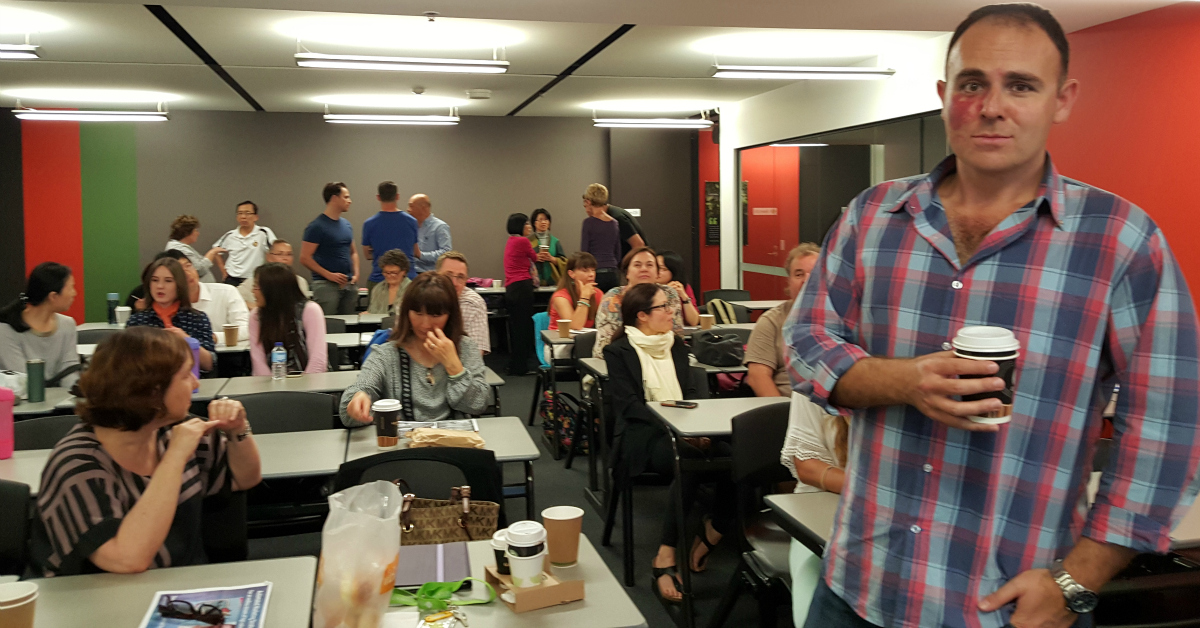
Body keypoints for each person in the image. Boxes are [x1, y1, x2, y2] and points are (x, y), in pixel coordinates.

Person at [786, 5, 1200, 628]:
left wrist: (1076, 580)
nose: (991, 106)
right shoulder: (872, 216)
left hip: (1009, 607)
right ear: (944, 95)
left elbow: (1171, 424)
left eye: (1022, 85)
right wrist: (905, 381)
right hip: (860, 588)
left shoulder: (1120, 240)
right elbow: (804, 340)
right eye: (972, 83)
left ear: (1062, 100)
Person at [32, 327, 260, 576]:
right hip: (96, 595)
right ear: (151, 391)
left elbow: (244, 478)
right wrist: (175, 457)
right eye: (186, 375)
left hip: (178, 586)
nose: (196, 383)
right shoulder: (77, 465)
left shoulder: (175, 431)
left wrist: (238, 430)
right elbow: (127, 560)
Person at [603, 283, 733, 603]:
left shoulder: (676, 344)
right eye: (663, 306)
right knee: (686, 461)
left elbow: (690, 393)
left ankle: (713, 529)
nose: (671, 311)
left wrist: (698, 427)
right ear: (642, 315)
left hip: (685, 427)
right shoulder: (618, 351)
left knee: (735, 456)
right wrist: (675, 428)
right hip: (641, 434)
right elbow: (629, 406)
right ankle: (665, 554)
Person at [340, 273, 489, 426]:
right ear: (407, 313)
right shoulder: (386, 353)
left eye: (435, 315)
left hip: (456, 438)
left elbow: (478, 405)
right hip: (404, 440)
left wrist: (454, 367)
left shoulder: (466, 348)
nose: (425, 324)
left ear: (450, 315)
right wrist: (358, 399)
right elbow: (352, 404)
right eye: (418, 313)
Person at [781, 392, 849, 626]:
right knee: (813, 603)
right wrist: (870, 489)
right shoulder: (814, 382)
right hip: (817, 507)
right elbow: (807, 468)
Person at [745, 243, 819, 397]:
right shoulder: (771, 321)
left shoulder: (844, 319)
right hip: (787, 404)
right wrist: (782, 410)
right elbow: (757, 376)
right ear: (789, 282)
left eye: (814, 274)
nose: (806, 280)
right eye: (798, 274)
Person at [593, 247, 685, 358]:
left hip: (663, 356)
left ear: (657, 273)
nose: (644, 269)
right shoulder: (613, 297)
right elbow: (605, 345)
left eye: (649, 265)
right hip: (622, 358)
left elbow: (677, 335)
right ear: (627, 273)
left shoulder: (669, 294)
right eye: (637, 265)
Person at [126, 258, 215, 372]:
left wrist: (186, 340)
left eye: (168, 281)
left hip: (189, 380)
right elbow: (126, 364)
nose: (160, 286)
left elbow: (209, 364)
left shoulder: (197, 318)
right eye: (155, 280)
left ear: (179, 285)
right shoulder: (137, 321)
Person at [0, 262, 80, 389]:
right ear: (53, 296)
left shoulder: (68, 325)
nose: (74, 293)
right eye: (71, 288)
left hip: (61, 399)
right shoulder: (6, 329)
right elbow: (23, 381)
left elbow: (69, 370)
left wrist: (75, 390)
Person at [249, 263, 327, 376]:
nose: (253, 291)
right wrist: (269, 385)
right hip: (271, 381)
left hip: (310, 380)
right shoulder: (256, 316)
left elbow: (318, 361)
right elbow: (258, 361)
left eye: (256, 287)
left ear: (272, 289)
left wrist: (307, 385)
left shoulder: (310, 310)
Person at [301, 182, 359, 315]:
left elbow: (353, 252)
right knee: (329, 323)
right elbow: (304, 258)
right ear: (334, 198)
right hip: (325, 285)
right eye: (346, 197)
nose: (349, 201)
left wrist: (356, 274)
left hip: (348, 284)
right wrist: (329, 275)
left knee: (349, 322)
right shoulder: (316, 226)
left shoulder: (346, 225)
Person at [178, 255, 249, 344]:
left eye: (188, 266)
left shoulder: (226, 291)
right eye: (179, 271)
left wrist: (212, 337)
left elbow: (246, 328)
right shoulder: (168, 302)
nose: (187, 274)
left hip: (229, 351)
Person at [363, 181, 420, 287]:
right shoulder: (412, 221)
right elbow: (416, 252)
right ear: (397, 196)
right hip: (407, 279)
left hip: (380, 279)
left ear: (378, 197)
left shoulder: (369, 224)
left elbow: (367, 255)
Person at [503, 213, 539, 375]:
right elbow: (534, 257)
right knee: (524, 329)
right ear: (520, 226)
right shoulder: (523, 241)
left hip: (512, 288)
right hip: (522, 287)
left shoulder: (511, 241)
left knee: (516, 329)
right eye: (527, 224)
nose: (529, 227)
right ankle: (521, 367)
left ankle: (515, 364)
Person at [211, 201, 276, 287]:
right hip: (232, 279)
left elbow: (276, 250)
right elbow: (216, 250)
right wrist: (223, 271)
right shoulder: (230, 235)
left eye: (247, 213)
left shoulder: (263, 233)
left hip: (254, 279)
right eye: (240, 213)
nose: (243, 217)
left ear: (256, 217)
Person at [437, 251, 490, 355]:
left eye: (460, 277)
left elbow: (475, 355)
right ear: (436, 275)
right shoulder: (423, 296)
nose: (454, 283)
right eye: (448, 275)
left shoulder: (473, 304)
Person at [583, 183, 647, 260]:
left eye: (585, 206)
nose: (586, 211)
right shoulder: (612, 217)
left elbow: (638, 245)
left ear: (588, 202)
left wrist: (627, 264)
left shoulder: (618, 218)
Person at [237, 239, 310, 307]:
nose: (285, 258)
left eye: (289, 254)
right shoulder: (253, 281)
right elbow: (235, 299)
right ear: (269, 257)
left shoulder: (300, 282)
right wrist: (256, 308)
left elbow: (301, 305)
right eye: (280, 254)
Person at [581, 187, 622, 293]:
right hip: (613, 273)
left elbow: (585, 253)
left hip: (596, 273)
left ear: (588, 202)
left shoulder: (588, 223)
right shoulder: (614, 223)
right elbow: (618, 252)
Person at [165, 215, 223, 283]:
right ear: (187, 232)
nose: (198, 233)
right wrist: (212, 253)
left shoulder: (181, 247)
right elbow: (199, 270)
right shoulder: (178, 249)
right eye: (196, 230)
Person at [409, 194, 452, 274]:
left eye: (411, 206)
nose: (408, 210)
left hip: (431, 275)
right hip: (411, 273)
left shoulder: (440, 227)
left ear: (423, 208)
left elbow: (446, 254)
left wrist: (420, 255)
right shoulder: (411, 226)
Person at [656, 250, 700, 326]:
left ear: (674, 271)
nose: (657, 272)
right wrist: (666, 292)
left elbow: (694, 321)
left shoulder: (682, 287)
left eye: (663, 269)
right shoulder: (647, 287)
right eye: (655, 267)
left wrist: (685, 298)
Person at [529, 208, 567, 286]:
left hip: (553, 281)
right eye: (540, 220)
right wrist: (535, 257)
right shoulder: (528, 241)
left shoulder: (555, 241)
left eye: (546, 220)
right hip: (533, 281)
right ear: (534, 223)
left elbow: (564, 262)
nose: (543, 222)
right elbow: (521, 260)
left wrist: (552, 259)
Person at [367, 249, 412, 316]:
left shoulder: (412, 289)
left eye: (393, 273)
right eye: (386, 272)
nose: (389, 276)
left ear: (404, 272)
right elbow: (372, 312)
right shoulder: (378, 288)